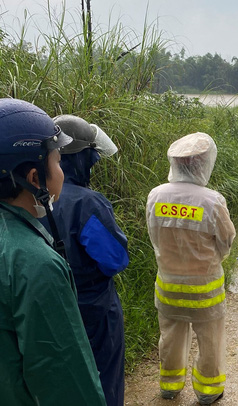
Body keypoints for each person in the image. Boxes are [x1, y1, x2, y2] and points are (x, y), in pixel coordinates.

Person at [0, 98, 106, 405]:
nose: (61, 172)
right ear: (34, 178)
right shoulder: (35, 265)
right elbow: (67, 382)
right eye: (57, 162)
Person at [40, 115, 129, 406]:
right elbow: (114, 259)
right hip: (94, 308)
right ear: (79, 157)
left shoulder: (31, 196)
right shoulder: (87, 203)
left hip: (50, 305)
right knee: (104, 379)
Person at [146, 132, 236, 404]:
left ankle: (170, 387)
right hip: (204, 289)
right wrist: (209, 260)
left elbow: (154, 236)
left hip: (168, 285)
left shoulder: (156, 195)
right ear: (204, 163)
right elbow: (226, 240)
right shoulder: (211, 200)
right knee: (210, 341)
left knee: (170, 338)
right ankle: (208, 393)